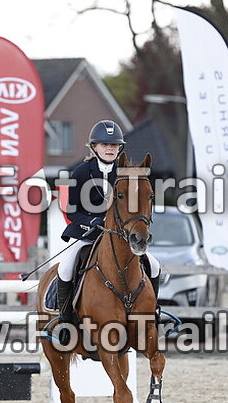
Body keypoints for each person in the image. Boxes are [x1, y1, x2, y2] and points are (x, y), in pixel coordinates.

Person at [54, 119, 162, 340]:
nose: (110, 149)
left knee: (155, 265)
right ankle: (65, 321)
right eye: (105, 145)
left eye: (114, 145)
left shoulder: (128, 174)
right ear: (94, 147)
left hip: (119, 238)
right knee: (65, 267)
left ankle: (153, 314)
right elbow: (72, 211)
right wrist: (91, 222)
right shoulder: (82, 172)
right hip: (88, 234)